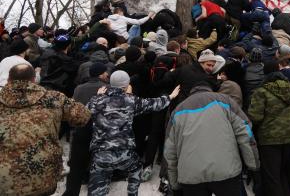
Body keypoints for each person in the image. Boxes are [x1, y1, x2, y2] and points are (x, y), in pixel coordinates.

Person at [0, 64, 91, 196]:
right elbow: (83, 116)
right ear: (34, 80)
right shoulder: (54, 98)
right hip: (43, 176)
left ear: (8, 80)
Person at [86, 70, 180, 196]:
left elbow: (84, 114)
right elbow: (154, 104)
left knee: (97, 185)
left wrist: (97, 97)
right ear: (126, 85)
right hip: (125, 154)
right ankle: (132, 193)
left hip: (100, 154)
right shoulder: (131, 101)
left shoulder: (96, 100)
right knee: (136, 168)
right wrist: (171, 96)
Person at [164, 81, 260, 195]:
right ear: (210, 89)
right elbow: (245, 133)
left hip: (191, 176)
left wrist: (174, 183)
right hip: (226, 171)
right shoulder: (225, 101)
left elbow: (170, 151)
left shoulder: (177, 111)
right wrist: (253, 164)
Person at [249, 60, 290, 196]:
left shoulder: (261, 91)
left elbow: (255, 117)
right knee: (284, 172)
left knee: (272, 177)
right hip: (289, 138)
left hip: (269, 140)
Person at [63, 63, 110, 196]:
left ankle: (71, 191)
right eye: (106, 72)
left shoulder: (79, 88)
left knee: (76, 166)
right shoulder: (108, 88)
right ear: (101, 74)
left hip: (81, 128)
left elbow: (74, 106)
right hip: (101, 131)